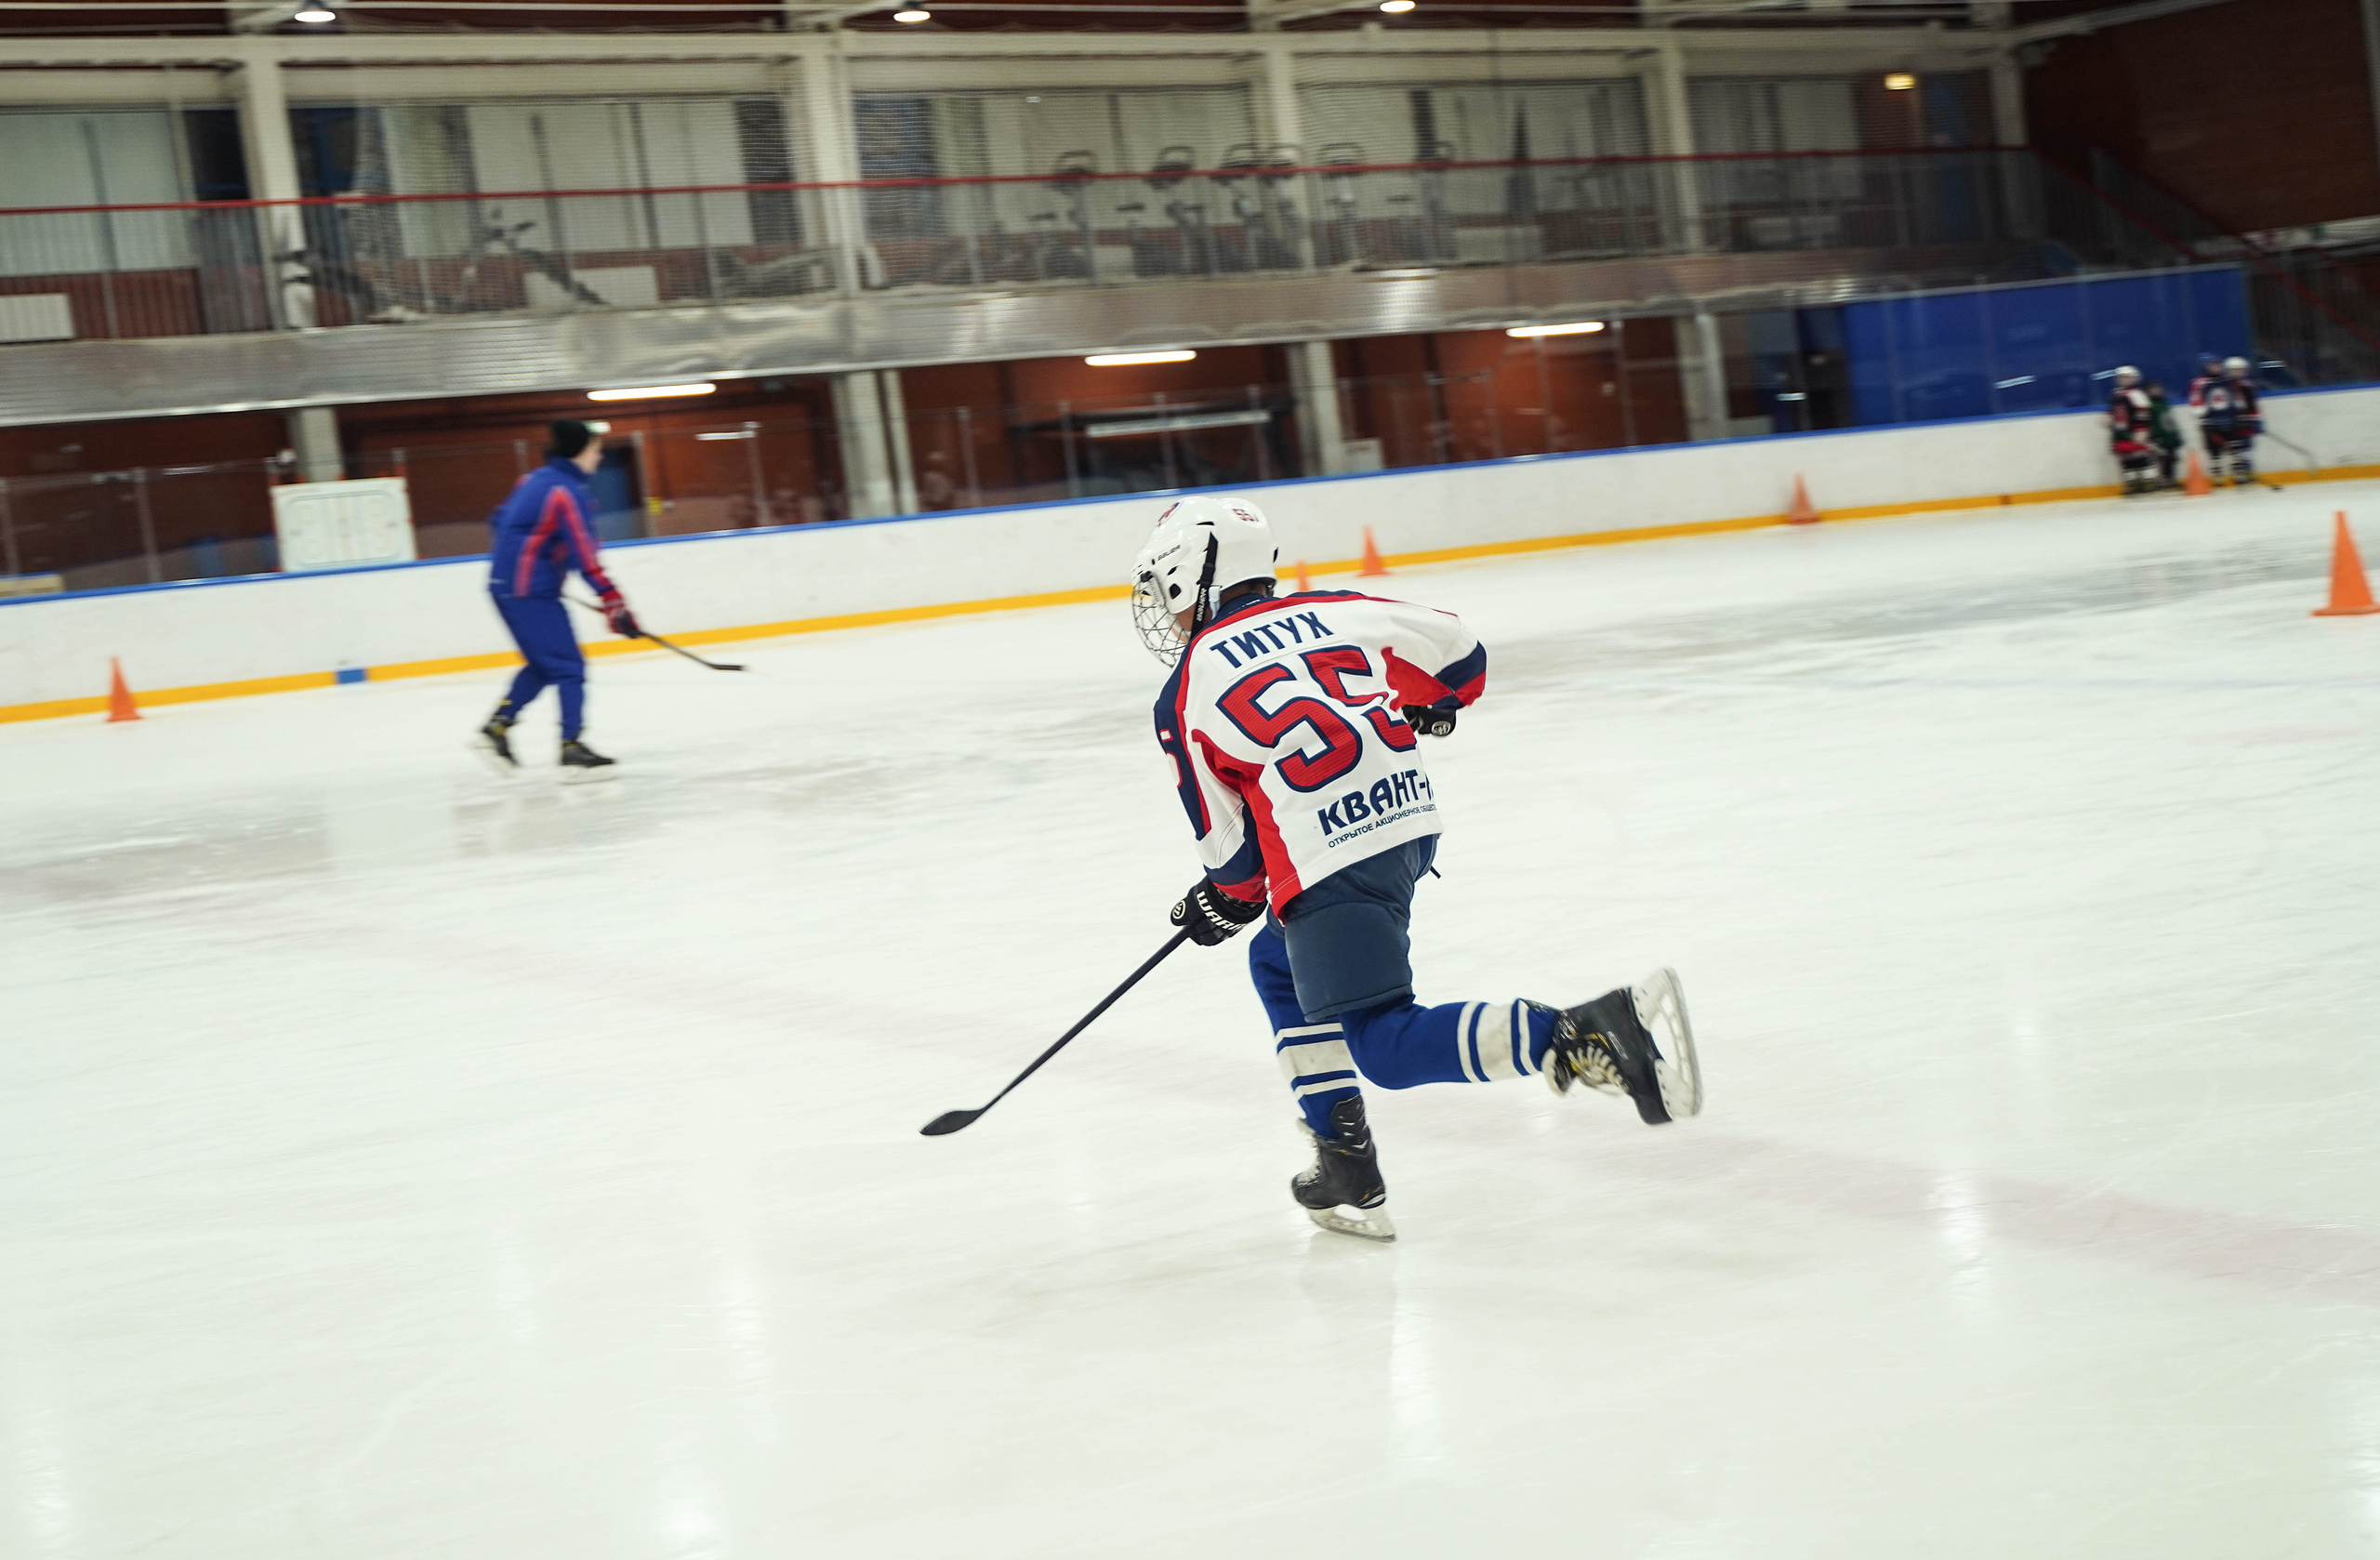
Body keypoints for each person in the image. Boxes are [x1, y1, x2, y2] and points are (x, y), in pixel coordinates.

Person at [1130, 496, 1703, 1242]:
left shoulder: (1185, 691)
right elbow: (1462, 659)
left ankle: (1577, 1031)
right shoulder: (1337, 607)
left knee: (1383, 1044)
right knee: (1279, 961)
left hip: (1332, 858)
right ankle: (1345, 1165)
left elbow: (1235, 862)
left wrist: (1217, 903)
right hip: (1408, 827)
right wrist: (1426, 703)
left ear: (1186, 579)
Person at [476, 419, 641, 776]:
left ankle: (497, 728)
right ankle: (571, 748)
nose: (599, 456)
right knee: (568, 666)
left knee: (545, 665)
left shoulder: (532, 480)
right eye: (596, 449)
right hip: (529, 590)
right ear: (581, 450)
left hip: (509, 585)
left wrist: (537, 564)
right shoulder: (568, 493)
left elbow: (499, 521)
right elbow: (585, 554)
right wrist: (614, 602)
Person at [2192, 353, 2263, 488]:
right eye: (2213, 365)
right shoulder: (2202, 383)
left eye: (2217, 365)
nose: (2215, 368)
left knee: (2236, 447)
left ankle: (2240, 474)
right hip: (2212, 420)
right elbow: (2197, 401)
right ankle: (2217, 477)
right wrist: (2202, 418)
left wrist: (2246, 416)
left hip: (2232, 420)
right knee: (2214, 450)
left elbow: (2239, 400)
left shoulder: (2233, 384)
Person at [2108, 366, 2158, 496]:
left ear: (2134, 379)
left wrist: (2141, 431)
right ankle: (2132, 484)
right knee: (2127, 460)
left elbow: (2143, 414)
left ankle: (2147, 482)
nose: (2124, 380)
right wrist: (2109, 420)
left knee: (2141, 457)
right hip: (2121, 432)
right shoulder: (2117, 395)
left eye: (2127, 377)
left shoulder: (2137, 395)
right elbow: (2113, 412)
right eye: (2121, 378)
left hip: (2135, 432)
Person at [2144, 378, 2183, 488]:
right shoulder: (2149, 405)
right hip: (2158, 437)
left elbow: (2170, 421)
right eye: (2153, 389)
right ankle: (2161, 480)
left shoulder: (2164, 403)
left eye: (2158, 388)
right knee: (2161, 459)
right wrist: (2151, 437)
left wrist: (2176, 435)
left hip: (2169, 436)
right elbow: (2148, 423)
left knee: (2172, 458)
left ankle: (2170, 479)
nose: (2156, 391)